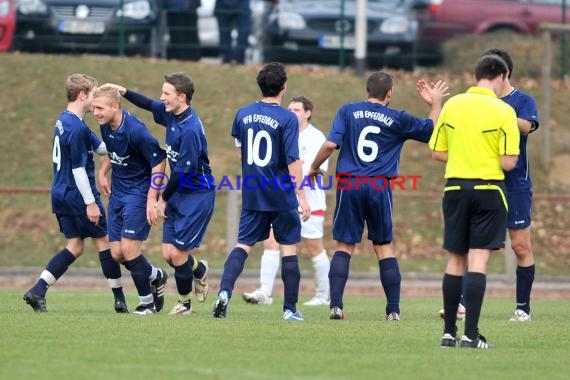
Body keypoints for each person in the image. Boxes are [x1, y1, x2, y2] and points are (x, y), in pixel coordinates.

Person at [308, 71, 449, 321]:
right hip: (379, 187)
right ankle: (393, 310)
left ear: (367, 90)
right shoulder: (398, 118)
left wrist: (314, 167)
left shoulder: (348, 111)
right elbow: (431, 131)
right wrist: (435, 103)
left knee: (344, 247)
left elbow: (330, 144)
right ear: (390, 93)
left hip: (349, 184)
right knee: (384, 248)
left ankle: (336, 307)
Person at [102, 72, 213, 316]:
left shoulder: (190, 129)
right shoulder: (171, 113)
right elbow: (147, 103)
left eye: (166, 94)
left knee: (176, 253)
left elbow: (185, 172)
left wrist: (161, 199)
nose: (161, 98)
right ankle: (199, 271)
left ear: (182, 97)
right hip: (178, 190)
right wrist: (123, 90)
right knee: (168, 254)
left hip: (196, 193)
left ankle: (184, 304)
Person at [430, 55, 520, 349]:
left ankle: (447, 333)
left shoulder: (453, 104)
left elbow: (437, 152)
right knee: (478, 259)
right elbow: (508, 162)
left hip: (454, 188)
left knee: (455, 259)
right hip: (488, 189)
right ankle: (470, 335)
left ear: (476, 74)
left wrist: (464, 154)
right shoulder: (503, 110)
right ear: (502, 75)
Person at [212, 62, 311, 320]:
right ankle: (290, 309)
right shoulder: (287, 118)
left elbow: (241, 150)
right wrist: (301, 195)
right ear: (284, 86)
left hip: (254, 191)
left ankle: (223, 293)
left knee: (242, 245)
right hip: (280, 194)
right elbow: (293, 160)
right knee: (288, 248)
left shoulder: (243, 114)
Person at [23, 73, 128, 313]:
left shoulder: (66, 120)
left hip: (60, 192)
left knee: (76, 246)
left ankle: (38, 291)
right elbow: (79, 169)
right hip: (78, 195)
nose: (96, 100)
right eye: (93, 95)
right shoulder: (77, 128)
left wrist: (124, 140)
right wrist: (90, 203)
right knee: (104, 243)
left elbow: (102, 148)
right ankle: (120, 301)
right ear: (82, 95)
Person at [242, 95, 331, 306]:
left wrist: (297, 175)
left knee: (313, 247)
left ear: (308, 113)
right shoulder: (282, 132)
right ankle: (265, 292)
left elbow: (317, 171)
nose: (291, 113)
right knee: (271, 241)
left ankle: (323, 295)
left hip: (310, 202)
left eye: (296, 110)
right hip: (282, 201)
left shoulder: (316, 137)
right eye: (289, 109)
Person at [93, 86, 170, 315]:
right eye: (94, 107)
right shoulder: (105, 124)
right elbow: (112, 151)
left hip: (138, 194)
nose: (95, 112)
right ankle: (156, 276)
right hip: (118, 194)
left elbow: (159, 160)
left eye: (100, 108)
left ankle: (147, 304)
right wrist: (102, 173)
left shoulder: (136, 130)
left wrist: (151, 198)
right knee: (116, 252)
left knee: (129, 249)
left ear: (116, 107)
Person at [214, 0, 252, 64]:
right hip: (223, 5)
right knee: (224, 34)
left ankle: (237, 60)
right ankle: (228, 60)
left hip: (242, 5)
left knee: (243, 33)